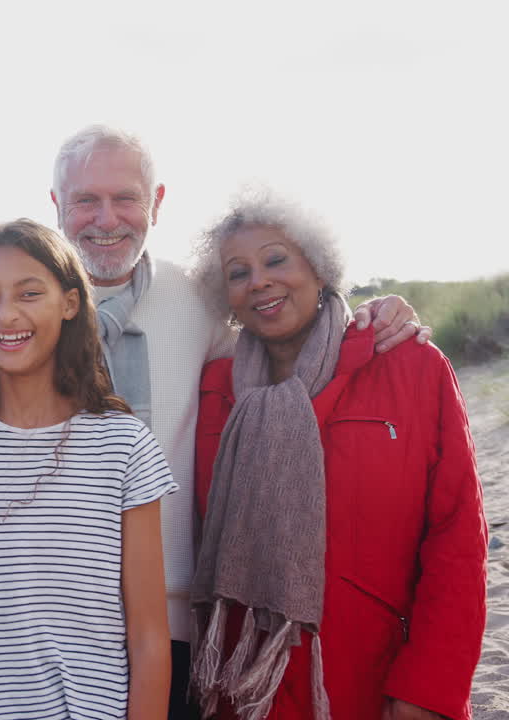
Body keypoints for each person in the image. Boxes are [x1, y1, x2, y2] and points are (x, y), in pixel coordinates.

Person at [44, 125, 431, 719]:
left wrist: (372, 313)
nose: (107, 218)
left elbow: (283, 340)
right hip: (48, 614)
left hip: (174, 621)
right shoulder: (17, 305)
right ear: (55, 204)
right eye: (85, 200)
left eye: (125, 198)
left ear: (158, 202)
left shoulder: (197, 301)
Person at [188, 191, 486, 720]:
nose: (259, 280)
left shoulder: (409, 365)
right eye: (239, 272)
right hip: (246, 691)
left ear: (320, 267)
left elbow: (458, 536)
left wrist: (428, 688)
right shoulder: (214, 389)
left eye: (276, 259)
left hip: (373, 682)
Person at [0, 218, 175, 720]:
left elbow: (148, 636)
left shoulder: (123, 447)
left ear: (70, 303)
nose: (6, 315)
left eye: (29, 293)